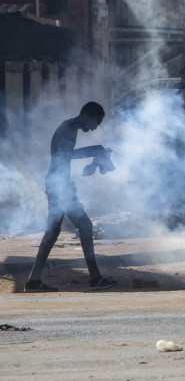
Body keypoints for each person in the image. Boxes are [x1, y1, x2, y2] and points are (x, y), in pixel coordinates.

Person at [25, 102, 118, 292]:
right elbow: (63, 155)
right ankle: (95, 277)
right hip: (59, 187)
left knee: (53, 233)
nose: (93, 128)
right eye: (95, 123)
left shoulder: (70, 127)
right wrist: (95, 150)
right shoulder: (68, 128)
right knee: (83, 226)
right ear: (87, 116)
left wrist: (95, 156)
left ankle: (34, 280)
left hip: (59, 185)